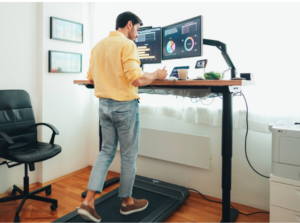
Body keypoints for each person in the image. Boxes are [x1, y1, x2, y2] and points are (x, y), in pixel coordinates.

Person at [77, 11, 168, 222]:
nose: (137, 35)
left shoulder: (98, 46)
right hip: (124, 107)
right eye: (137, 29)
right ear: (129, 25)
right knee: (128, 155)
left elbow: (90, 78)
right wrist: (156, 75)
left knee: (106, 151)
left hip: (103, 106)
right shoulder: (127, 46)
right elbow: (136, 80)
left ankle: (88, 202)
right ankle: (127, 202)